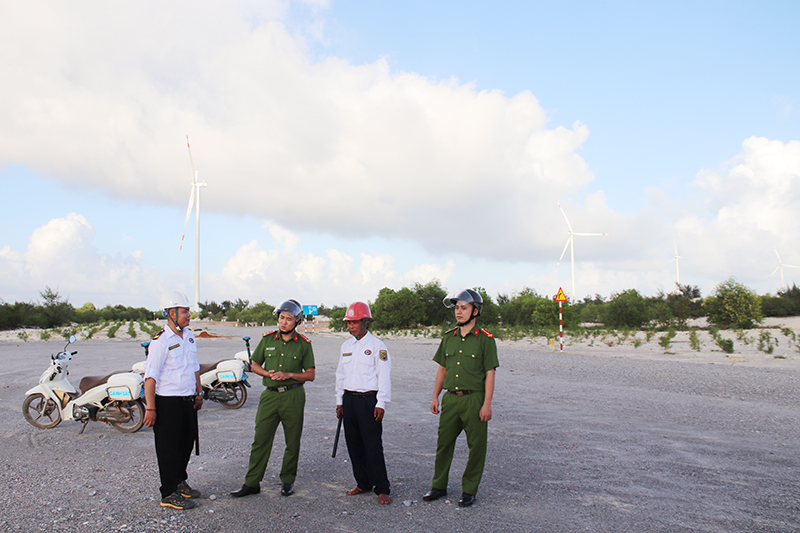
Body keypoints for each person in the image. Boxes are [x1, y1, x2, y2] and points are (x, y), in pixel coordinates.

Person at [231, 299, 316, 498]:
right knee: (260, 440)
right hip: (269, 397)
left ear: (297, 321)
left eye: (288, 319)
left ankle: (287, 481)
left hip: (293, 396)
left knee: (292, 441)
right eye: (281, 318)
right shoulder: (268, 339)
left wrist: (290, 375)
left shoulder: (303, 344)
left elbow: (310, 374)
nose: (284, 322)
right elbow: (254, 365)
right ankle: (252, 482)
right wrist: (268, 375)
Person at [422, 289, 499, 508]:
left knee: (476, 447)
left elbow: (490, 373)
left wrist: (487, 404)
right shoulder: (449, 338)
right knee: (443, 444)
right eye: (457, 307)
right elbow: (442, 369)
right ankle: (439, 486)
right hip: (451, 400)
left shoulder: (485, 340)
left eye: (464, 307)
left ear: (475, 311)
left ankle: (469, 490)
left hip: (474, 400)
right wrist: (435, 396)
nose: (459, 312)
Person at [143, 290, 203, 510]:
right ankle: (168, 493)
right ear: (171, 313)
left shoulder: (188, 336)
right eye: (185, 311)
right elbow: (150, 377)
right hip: (167, 403)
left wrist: (199, 393)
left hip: (187, 400)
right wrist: (151, 408)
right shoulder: (160, 342)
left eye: (188, 311)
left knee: (186, 444)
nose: (188, 315)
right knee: (168, 448)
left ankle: (179, 482)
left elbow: (194, 367)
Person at [335, 301, 392, 505]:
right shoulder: (346, 346)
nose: (351, 326)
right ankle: (363, 482)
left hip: (369, 401)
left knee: (372, 446)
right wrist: (339, 401)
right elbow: (340, 375)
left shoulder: (377, 346)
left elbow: (383, 376)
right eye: (349, 322)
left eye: (355, 322)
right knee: (354, 445)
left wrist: (381, 403)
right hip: (349, 401)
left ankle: (382, 488)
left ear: (365, 322)